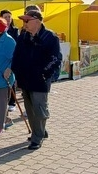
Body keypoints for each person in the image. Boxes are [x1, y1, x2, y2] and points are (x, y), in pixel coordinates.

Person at [11, 10, 61, 150]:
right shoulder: (23, 37)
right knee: (30, 109)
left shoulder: (50, 37)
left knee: (39, 109)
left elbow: (55, 59)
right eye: (24, 21)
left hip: (40, 80)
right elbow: (17, 56)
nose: (24, 23)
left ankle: (37, 137)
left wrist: (44, 73)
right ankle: (39, 131)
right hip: (25, 78)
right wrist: (15, 72)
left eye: (27, 20)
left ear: (38, 21)